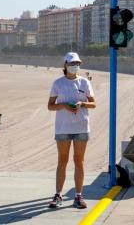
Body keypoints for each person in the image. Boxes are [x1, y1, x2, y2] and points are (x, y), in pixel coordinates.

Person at [47, 52, 96, 209]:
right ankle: (58, 194)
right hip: (63, 128)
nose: (75, 66)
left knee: (79, 161)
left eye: (77, 64)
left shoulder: (84, 82)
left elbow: (93, 104)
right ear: (65, 65)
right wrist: (65, 105)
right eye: (72, 63)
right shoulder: (58, 83)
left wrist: (81, 104)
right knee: (62, 160)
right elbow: (50, 106)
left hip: (81, 126)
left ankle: (78, 196)